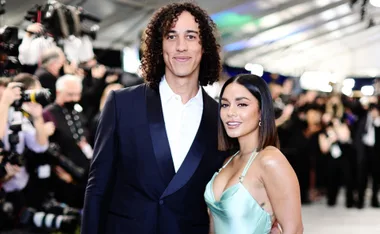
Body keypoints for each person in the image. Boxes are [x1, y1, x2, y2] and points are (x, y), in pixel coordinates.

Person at [81, 2, 226, 234]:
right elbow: (97, 187)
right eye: (171, 36)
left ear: (204, 47)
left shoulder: (220, 117)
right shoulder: (122, 104)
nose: (181, 47)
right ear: (160, 46)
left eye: (190, 36)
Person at [204, 74, 303, 234]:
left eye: (242, 104)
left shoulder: (270, 160)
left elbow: (294, 230)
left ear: (261, 111)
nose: (230, 112)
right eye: (224, 105)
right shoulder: (229, 161)